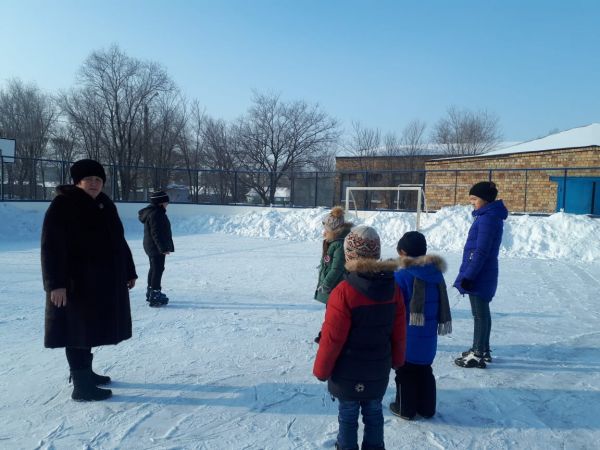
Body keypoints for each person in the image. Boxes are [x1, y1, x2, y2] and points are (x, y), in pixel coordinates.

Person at [41, 159, 137, 401]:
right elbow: (51, 247)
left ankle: (86, 373)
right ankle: (81, 386)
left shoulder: (105, 203)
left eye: (98, 179)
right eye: (88, 179)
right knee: (76, 330)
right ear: (77, 182)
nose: (94, 183)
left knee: (89, 330)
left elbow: (119, 241)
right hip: (75, 283)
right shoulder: (64, 205)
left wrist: (128, 270)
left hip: (102, 283)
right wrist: (56, 284)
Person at [313, 225, 406, 450]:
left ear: (349, 255)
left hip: (347, 372)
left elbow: (332, 337)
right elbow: (399, 330)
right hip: (377, 369)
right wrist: (397, 360)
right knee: (374, 413)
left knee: (348, 415)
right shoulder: (393, 289)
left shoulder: (343, 291)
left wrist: (321, 370)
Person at [389, 231, 452, 420]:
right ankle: (427, 408)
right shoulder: (435, 273)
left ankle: (405, 408)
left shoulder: (402, 275)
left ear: (403, 252)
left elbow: (395, 306)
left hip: (407, 336)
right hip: (429, 337)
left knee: (405, 372)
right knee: (425, 371)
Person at [453, 181, 508, 369]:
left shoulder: (487, 219)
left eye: (475, 199)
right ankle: (482, 348)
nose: (472, 202)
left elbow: (481, 251)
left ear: (485, 199)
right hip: (483, 270)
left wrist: (469, 276)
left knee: (479, 315)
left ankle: (477, 354)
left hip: (480, 272)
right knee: (482, 313)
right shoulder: (489, 216)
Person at [138, 191, 174, 307]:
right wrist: (163, 248)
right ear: (160, 202)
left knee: (154, 268)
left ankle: (151, 291)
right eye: (166, 201)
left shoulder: (154, 212)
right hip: (155, 247)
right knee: (158, 269)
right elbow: (156, 233)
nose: (167, 204)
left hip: (151, 246)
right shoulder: (156, 214)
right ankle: (155, 294)